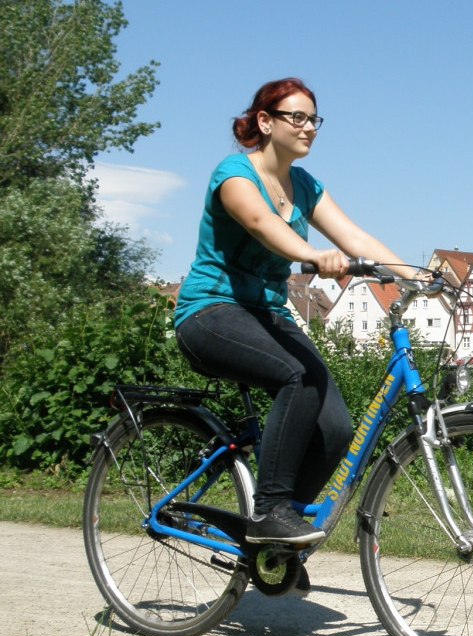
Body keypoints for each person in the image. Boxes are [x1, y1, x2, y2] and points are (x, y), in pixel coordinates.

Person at [174, 77, 419, 546]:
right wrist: (312, 255)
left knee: (335, 427)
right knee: (297, 376)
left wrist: (416, 275)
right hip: (210, 312)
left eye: (314, 120)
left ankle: (280, 539)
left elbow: (357, 238)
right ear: (265, 122)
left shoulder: (304, 185)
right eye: (298, 118)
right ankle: (269, 511)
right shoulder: (235, 175)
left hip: (266, 314)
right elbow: (262, 225)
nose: (309, 128)